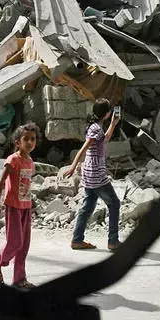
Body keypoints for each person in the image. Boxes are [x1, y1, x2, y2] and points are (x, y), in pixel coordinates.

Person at [64, 98, 122, 251]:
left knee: (88, 206)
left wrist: (113, 124)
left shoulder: (96, 127)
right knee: (114, 203)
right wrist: (73, 165)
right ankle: (113, 241)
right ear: (107, 113)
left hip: (90, 172)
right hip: (96, 173)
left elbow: (105, 140)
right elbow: (84, 148)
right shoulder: (96, 129)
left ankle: (77, 240)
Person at [0, 122, 39, 289]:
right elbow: (1, 182)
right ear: (18, 142)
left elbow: (25, 184)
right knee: (15, 242)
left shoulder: (30, 161)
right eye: (26, 139)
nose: (30, 142)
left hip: (26, 207)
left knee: (24, 246)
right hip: (13, 207)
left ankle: (19, 279)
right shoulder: (13, 159)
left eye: (33, 139)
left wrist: (31, 204)